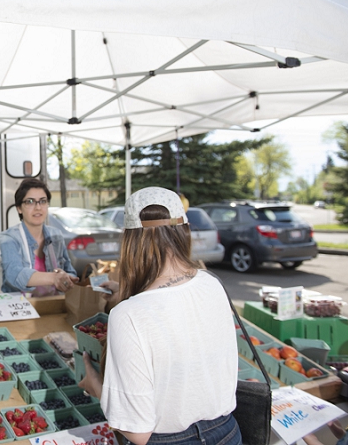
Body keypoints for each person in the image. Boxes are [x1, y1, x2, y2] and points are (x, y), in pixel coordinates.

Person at [78, 186, 240, 445]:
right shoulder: (214, 284)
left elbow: (137, 433)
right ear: (184, 230)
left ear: (129, 240)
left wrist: (96, 385)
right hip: (228, 432)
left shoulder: (128, 316)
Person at [0, 178, 78, 295]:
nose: (38, 207)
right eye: (30, 202)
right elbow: (14, 274)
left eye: (43, 201)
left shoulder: (56, 236)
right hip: (20, 308)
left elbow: (70, 272)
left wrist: (66, 279)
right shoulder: (9, 238)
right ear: (19, 208)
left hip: (53, 305)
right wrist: (54, 278)